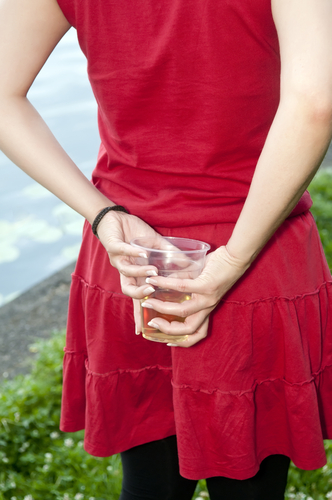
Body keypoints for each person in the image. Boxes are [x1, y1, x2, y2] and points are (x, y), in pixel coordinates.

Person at [0, 0, 332, 498]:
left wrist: (103, 214)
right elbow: (314, 103)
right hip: (257, 250)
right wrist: (235, 257)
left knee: (149, 484)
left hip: (132, 259)